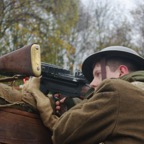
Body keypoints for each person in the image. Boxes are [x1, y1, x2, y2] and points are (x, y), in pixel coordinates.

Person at [22, 45, 144, 144]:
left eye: (98, 74)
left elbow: (63, 134)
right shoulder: (137, 94)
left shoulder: (117, 91)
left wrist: (40, 98)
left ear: (121, 72)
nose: (92, 84)